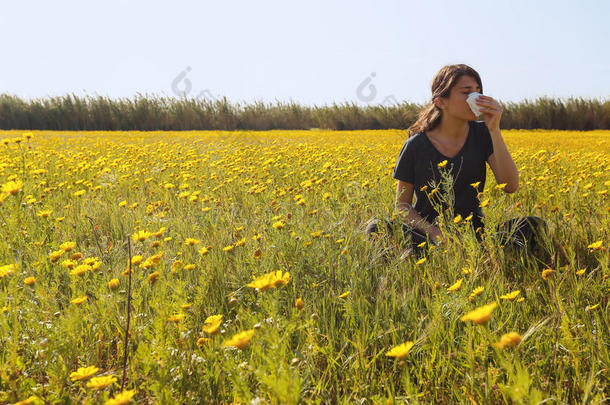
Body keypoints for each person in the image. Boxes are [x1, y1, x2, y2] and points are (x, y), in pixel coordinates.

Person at [365, 64, 547, 260]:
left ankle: (475, 256)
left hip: (477, 235)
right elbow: (402, 207)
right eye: (466, 92)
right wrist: (437, 234)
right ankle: (432, 260)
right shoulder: (416, 145)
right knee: (377, 227)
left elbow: (510, 186)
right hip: (428, 236)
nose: (475, 97)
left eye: (478, 91)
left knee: (534, 226)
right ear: (441, 101)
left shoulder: (484, 134)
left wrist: (494, 129)